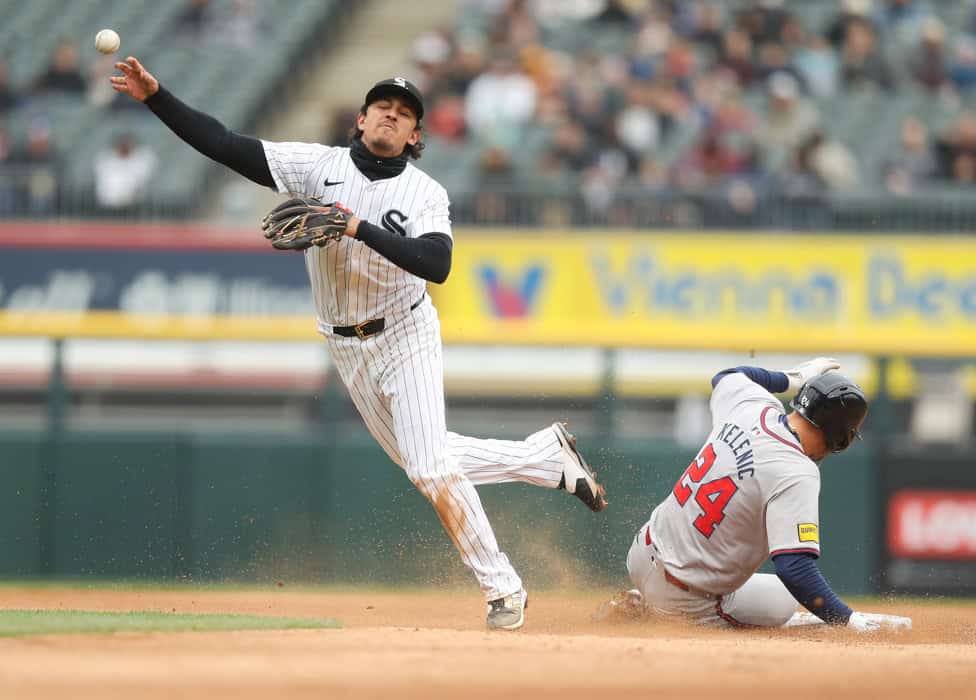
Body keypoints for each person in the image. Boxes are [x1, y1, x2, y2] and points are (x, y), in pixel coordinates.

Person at [109, 56, 607, 631]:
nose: (391, 118)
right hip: (345, 345)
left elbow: (437, 263)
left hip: (406, 333)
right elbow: (225, 144)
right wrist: (156, 97)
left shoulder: (425, 193)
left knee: (428, 467)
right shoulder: (316, 166)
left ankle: (503, 589)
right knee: (426, 461)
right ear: (361, 118)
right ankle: (545, 458)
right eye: (382, 109)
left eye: (404, 115)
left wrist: (356, 227)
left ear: (416, 135)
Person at [605, 358, 911, 632]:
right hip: (685, 599)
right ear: (840, 439)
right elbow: (795, 568)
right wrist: (846, 619)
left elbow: (729, 374)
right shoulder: (797, 471)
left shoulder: (752, 406)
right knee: (781, 603)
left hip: (641, 554)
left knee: (759, 589)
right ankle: (656, 612)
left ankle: (642, 597)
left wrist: (794, 377)